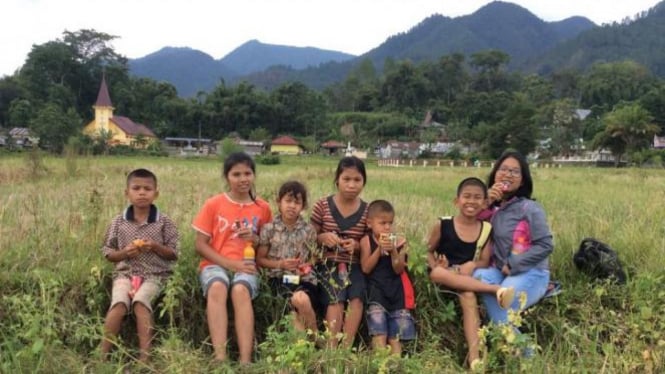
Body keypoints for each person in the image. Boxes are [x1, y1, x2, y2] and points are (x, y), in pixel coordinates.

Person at [192, 152, 273, 363]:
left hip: (246, 265)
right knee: (217, 286)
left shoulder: (263, 208)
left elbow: (267, 245)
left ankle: (245, 360)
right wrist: (229, 263)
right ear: (227, 177)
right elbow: (200, 245)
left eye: (247, 173)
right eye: (236, 174)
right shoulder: (214, 204)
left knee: (240, 290)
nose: (243, 179)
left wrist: (255, 238)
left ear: (254, 175)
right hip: (214, 263)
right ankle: (220, 358)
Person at [426, 177, 515, 368]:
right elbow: (427, 250)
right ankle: (494, 289)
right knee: (437, 274)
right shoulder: (443, 224)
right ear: (456, 201)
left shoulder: (486, 229)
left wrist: (471, 265)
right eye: (466, 196)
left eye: (477, 198)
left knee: (468, 296)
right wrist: (436, 265)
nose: (471, 201)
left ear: (485, 203)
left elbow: (484, 259)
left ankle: (475, 359)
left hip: (465, 279)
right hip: (443, 275)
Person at [100, 168, 179, 363]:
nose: (142, 193)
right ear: (127, 193)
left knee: (141, 302)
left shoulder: (164, 222)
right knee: (118, 304)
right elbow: (108, 252)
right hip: (125, 274)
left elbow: (174, 253)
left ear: (156, 193)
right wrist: (124, 253)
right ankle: (101, 355)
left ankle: (145, 357)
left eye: (147, 189)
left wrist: (154, 246)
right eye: (136, 188)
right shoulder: (119, 221)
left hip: (156, 274)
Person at [473, 150, 553, 327]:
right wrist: (486, 202)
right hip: (499, 270)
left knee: (503, 305)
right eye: (503, 169)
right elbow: (471, 230)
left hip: (530, 271)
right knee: (477, 278)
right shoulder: (490, 208)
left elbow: (546, 245)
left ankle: (525, 353)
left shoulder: (530, 208)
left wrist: (514, 264)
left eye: (514, 171)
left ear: (522, 179)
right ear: (495, 174)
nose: (507, 174)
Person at [311, 156, 368, 348]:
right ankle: (331, 347)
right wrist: (322, 238)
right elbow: (309, 235)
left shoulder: (368, 211)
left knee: (357, 298)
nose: (351, 185)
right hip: (328, 263)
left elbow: (370, 242)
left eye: (357, 180)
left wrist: (357, 246)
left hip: (355, 265)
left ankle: (346, 348)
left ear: (364, 182)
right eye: (346, 179)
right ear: (337, 180)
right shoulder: (322, 206)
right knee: (335, 298)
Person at [256, 181, 319, 333]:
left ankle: (315, 337)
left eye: (297, 202)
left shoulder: (308, 230)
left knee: (301, 299)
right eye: (288, 201)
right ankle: (315, 344)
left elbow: (314, 257)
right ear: (279, 202)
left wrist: (305, 267)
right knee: (293, 317)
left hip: (303, 279)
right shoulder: (269, 229)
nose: (292, 206)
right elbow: (260, 259)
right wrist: (281, 264)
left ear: (303, 206)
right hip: (278, 279)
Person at [360, 200, 415, 355]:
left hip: (397, 292)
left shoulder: (400, 242)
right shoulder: (366, 241)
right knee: (379, 330)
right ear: (370, 223)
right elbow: (366, 268)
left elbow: (398, 269)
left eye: (390, 223)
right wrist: (379, 249)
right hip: (376, 291)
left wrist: (394, 251)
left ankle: (395, 365)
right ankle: (380, 363)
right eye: (382, 223)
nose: (387, 227)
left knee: (396, 334)